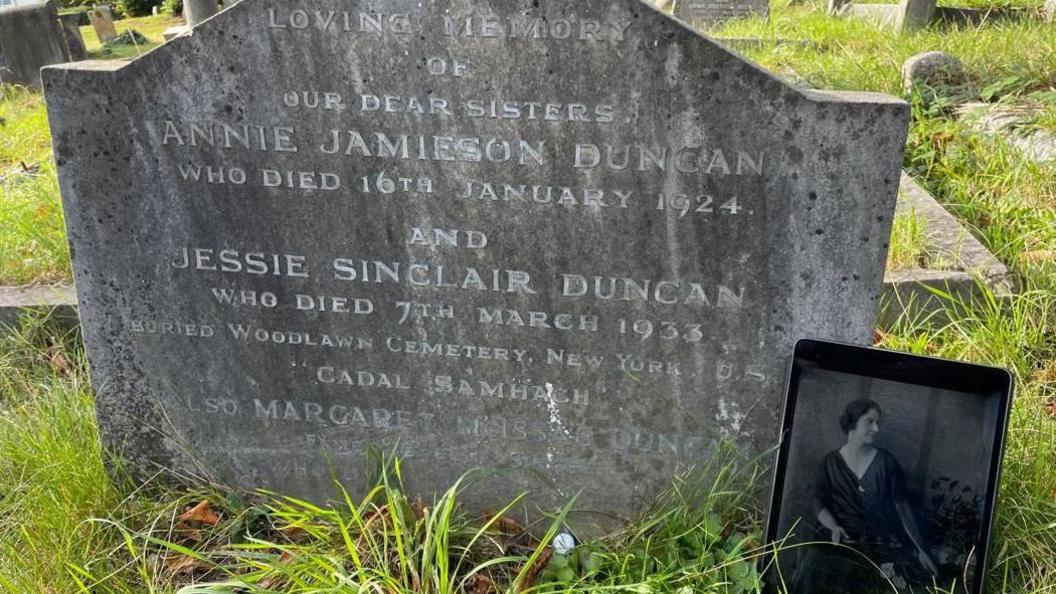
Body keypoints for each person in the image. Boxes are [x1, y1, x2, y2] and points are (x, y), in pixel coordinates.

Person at [792, 399, 938, 593]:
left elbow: (902, 507)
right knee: (810, 572)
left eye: (877, 422)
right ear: (852, 422)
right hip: (837, 541)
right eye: (870, 422)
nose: (876, 428)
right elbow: (818, 502)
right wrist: (834, 526)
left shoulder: (886, 462)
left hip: (875, 544)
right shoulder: (830, 462)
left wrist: (921, 549)